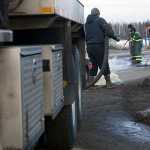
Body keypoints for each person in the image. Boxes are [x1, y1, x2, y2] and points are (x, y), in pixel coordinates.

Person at [85, 8, 120, 88]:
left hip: (89, 47)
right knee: (103, 63)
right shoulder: (100, 20)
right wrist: (115, 38)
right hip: (99, 45)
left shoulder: (87, 23)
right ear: (98, 14)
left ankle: (91, 84)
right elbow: (108, 31)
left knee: (93, 64)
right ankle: (108, 83)